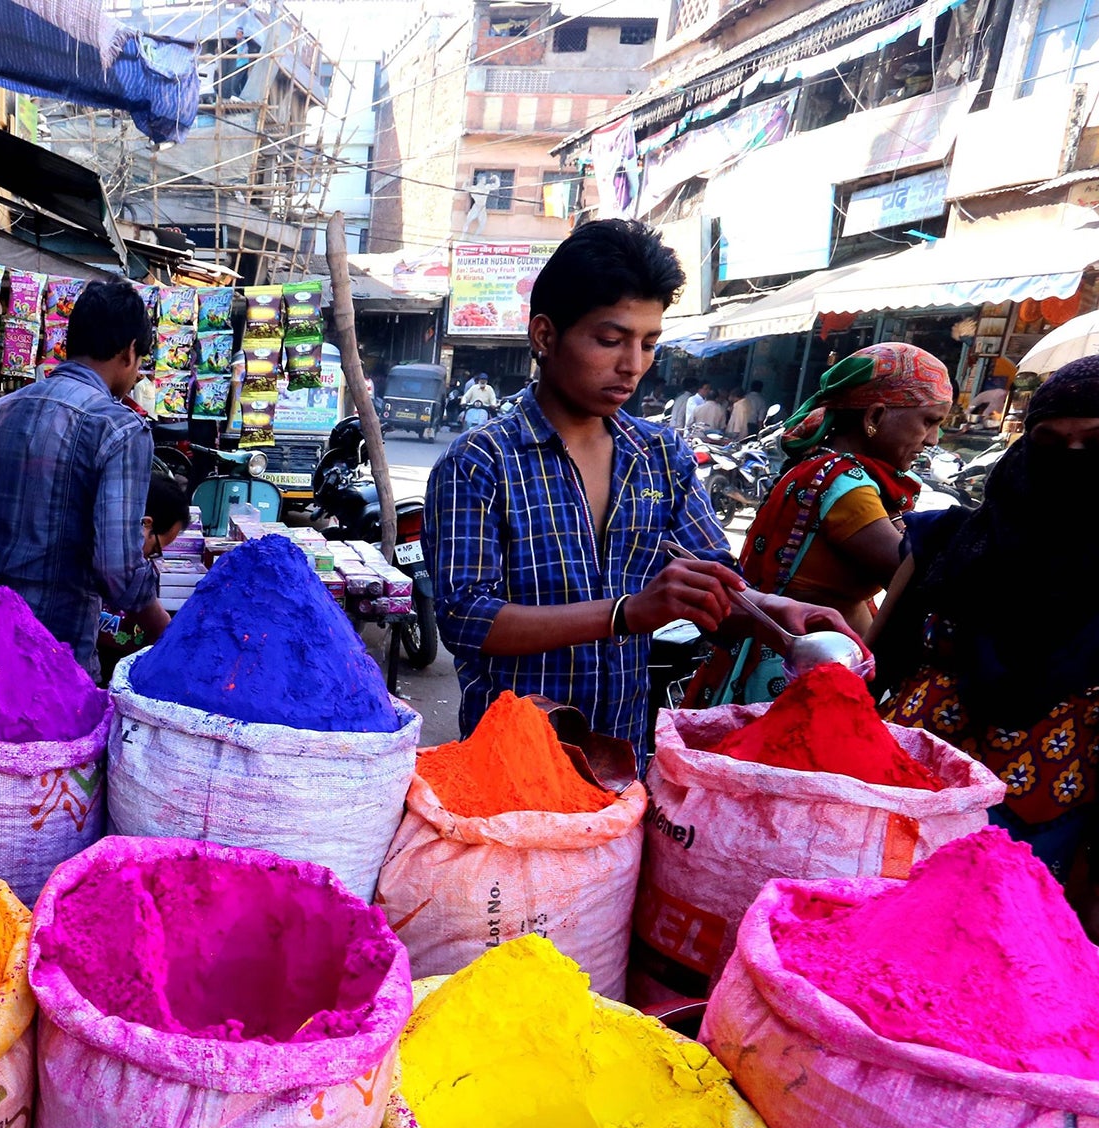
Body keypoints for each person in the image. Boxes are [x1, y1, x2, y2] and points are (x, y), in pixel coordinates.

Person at [425, 220, 850, 765]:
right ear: (545, 336)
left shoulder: (661, 457)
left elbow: (713, 583)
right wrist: (625, 613)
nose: (633, 366)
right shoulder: (480, 461)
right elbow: (465, 619)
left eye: (649, 344)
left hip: (625, 762)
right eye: (610, 340)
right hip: (512, 761)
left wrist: (775, 613)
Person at [875, 354, 1099, 893]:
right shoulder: (950, 542)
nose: (1071, 460)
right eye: (1049, 442)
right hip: (908, 795)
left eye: (1095, 444)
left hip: (1046, 817)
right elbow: (872, 662)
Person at [688, 342, 952, 707]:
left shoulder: (824, 466)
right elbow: (913, 575)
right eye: (929, 421)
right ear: (873, 416)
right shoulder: (846, 481)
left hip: (796, 660)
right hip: (794, 674)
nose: (934, 439)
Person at [0, 277, 167, 675]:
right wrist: (166, 629)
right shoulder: (118, 429)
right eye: (140, 360)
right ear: (129, 352)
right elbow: (117, 570)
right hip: (50, 665)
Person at [98, 459, 196, 683]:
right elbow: (161, 629)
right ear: (146, 525)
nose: (150, 558)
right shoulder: (128, 572)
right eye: (156, 548)